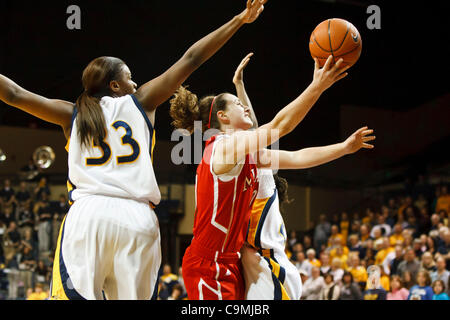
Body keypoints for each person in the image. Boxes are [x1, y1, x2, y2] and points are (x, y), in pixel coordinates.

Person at [0, 0, 269, 300]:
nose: (136, 81)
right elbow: (192, 58)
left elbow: (13, 94)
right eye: (129, 76)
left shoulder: (72, 113)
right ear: (115, 85)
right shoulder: (141, 102)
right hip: (137, 219)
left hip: (89, 217)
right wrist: (238, 20)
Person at [172, 50, 355, 299]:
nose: (245, 107)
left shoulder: (246, 153)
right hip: (208, 264)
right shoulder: (223, 147)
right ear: (223, 117)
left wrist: (344, 148)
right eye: (238, 104)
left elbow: (297, 157)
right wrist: (317, 86)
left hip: (231, 260)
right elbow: (280, 127)